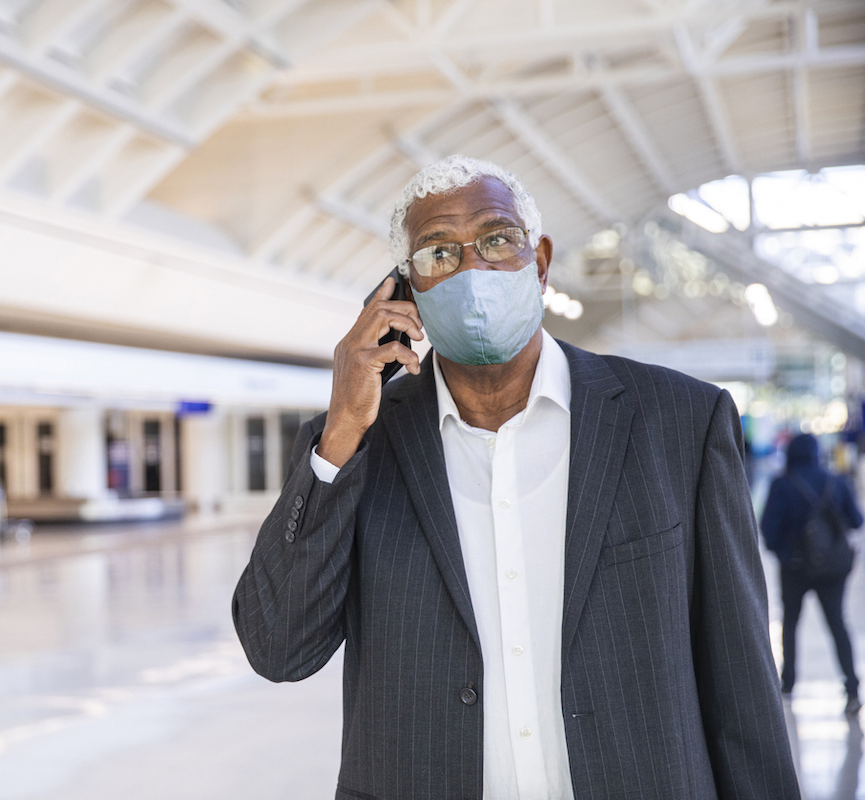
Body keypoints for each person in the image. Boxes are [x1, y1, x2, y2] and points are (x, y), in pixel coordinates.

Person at [232, 155, 800, 799]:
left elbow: (742, 681)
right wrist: (341, 431)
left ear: (540, 260)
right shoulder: (359, 443)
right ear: (405, 288)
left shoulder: (680, 422)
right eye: (438, 253)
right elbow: (279, 648)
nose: (472, 269)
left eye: (498, 239)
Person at [761, 433, 863, 716]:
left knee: (791, 623)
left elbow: (768, 531)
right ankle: (852, 690)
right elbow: (856, 520)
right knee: (837, 624)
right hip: (833, 569)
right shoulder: (836, 481)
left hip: (794, 569)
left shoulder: (782, 484)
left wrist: (787, 553)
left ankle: (788, 684)